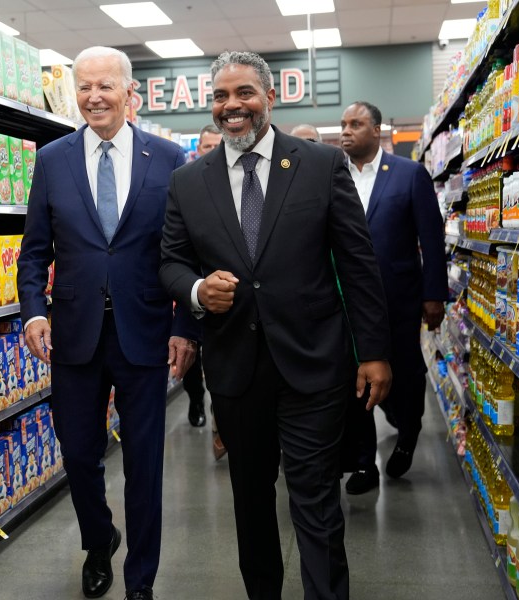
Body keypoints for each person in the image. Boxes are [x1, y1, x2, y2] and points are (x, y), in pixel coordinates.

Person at [160, 51, 393, 600]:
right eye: (220, 96)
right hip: (236, 373)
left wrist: (374, 352)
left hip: (312, 363)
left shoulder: (319, 165)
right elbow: (170, 261)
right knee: (251, 502)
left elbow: (357, 264)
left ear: (270, 97)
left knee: (314, 498)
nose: (231, 106)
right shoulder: (188, 182)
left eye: (243, 93)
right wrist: (196, 291)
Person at [17, 46, 198, 600]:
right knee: (77, 450)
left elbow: (188, 250)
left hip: (145, 332)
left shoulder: (167, 159)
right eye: (84, 86)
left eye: (105, 86)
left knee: (145, 463)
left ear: (129, 94)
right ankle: (100, 539)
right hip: (74, 334)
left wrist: (186, 327)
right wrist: (33, 313)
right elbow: (33, 253)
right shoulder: (52, 160)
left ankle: (140, 579)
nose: (94, 96)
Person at [339, 101, 447, 494]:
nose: (346, 130)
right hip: (349, 301)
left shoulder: (409, 174)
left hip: (399, 296)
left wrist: (435, 294)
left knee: (405, 371)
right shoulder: (335, 176)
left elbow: (432, 239)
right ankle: (365, 464)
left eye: (356, 123)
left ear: (377, 130)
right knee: (356, 379)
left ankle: (408, 432)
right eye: (343, 124)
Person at [186, 124, 226, 460]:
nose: (211, 150)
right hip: (192, 293)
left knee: (222, 366)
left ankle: (221, 427)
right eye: (206, 144)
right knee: (194, 361)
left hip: (229, 298)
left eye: (218, 144)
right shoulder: (185, 181)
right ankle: (197, 401)